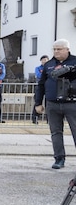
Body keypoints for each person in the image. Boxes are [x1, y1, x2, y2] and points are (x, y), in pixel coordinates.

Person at [34, 40, 76, 169]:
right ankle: (59, 158)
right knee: (55, 132)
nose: (56, 52)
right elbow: (41, 85)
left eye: (59, 49)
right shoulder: (49, 65)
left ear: (67, 49)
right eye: (54, 49)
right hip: (53, 104)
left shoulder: (74, 62)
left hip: (72, 104)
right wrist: (38, 103)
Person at [32, 54, 49, 124]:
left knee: (48, 103)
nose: (44, 61)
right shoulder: (38, 68)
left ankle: (49, 119)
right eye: (43, 60)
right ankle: (35, 118)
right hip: (39, 86)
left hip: (48, 87)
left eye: (46, 60)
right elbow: (39, 75)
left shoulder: (50, 68)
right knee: (37, 102)